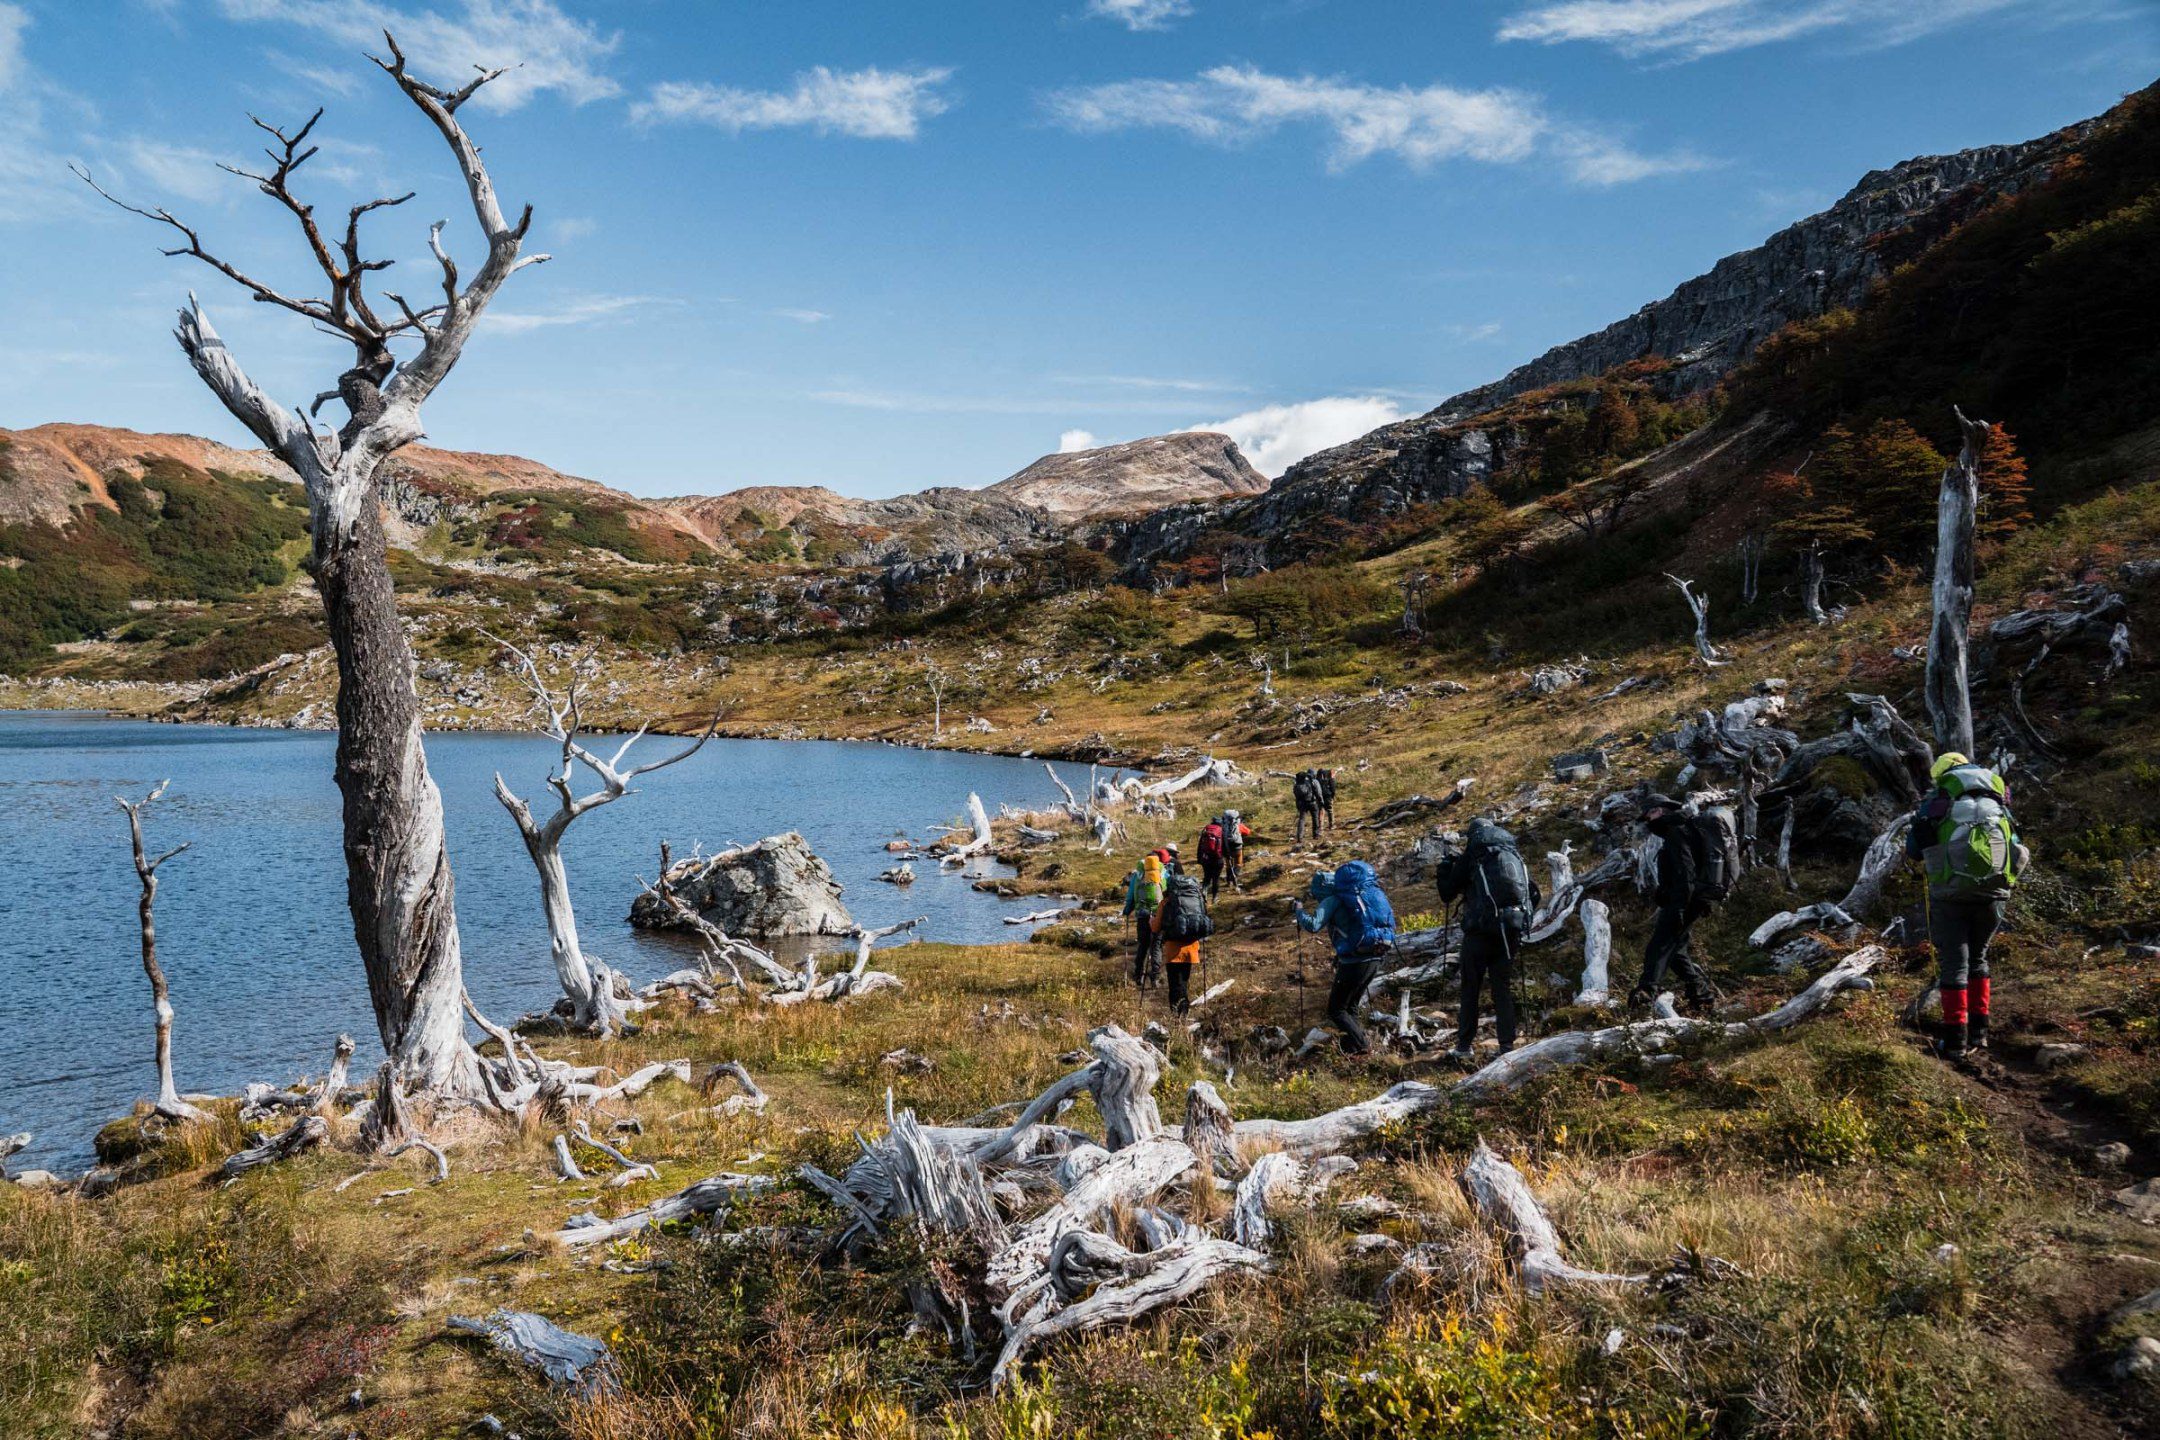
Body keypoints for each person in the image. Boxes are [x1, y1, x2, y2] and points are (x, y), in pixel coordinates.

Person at [1905, 751, 2028, 1061]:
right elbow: (2016, 845)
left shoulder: (1938, 800)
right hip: (1994, 894)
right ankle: (1979, 1033)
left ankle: (1955, 1040)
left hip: (1950, 895)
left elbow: (1914, 851)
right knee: (1979, 958)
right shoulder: (1998, 800)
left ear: (1944, 774)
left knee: (1954, 964)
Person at [1434, 818, 1538, 1063]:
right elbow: (1534, 893)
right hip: (1510, 930)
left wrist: (1444, 870)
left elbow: (1447, 893)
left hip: (1480, 932)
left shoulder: (1473, 854)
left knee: (1471, 987)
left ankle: (1464, 1046)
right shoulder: (1511, 853)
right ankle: (1506, 1045)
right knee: (1502, 987)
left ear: (1473, 836)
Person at [1293, 860, 1396, 1055]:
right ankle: (1353, 1049)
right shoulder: (1356, 896)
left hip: (1354, 962)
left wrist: (1299, 911)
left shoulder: (1332, 900)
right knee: (1351, 1006)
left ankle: (1364, 1046)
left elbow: (1313, 925)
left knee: (1336, 1009)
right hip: (1374, 956)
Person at [1628, 794, 1720, 1013]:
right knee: (1677, 951)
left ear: (1661, 810)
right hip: (1690, 899)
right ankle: (1704, 1000)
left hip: (1684, 902)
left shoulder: (1677, 832)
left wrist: (1678, 907)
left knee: (1658, 948)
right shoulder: (1682, 829)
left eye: (1650, 813)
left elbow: (1685, 872)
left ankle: (1644, 997)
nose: (1649, 820)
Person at [1157, 865, 1215, 1015]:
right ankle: (1183, 1013)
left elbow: (1156, 927)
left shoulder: (1166, 902)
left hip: (1173, 950)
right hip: (1191, 949)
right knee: (1183, 982)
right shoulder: (1196, 897)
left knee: (1175, 984)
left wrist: (1152, 921)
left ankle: (1179, 1016)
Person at [1121, 852, 1166, 987]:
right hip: (1158, 914)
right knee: (1156, 946)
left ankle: (1138, 976)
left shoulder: (1138, 875)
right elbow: (1167, 892)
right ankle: (1155, 978)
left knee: (1143, 945)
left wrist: (1127, 910)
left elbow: (1131, 896)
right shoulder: (1163, 873)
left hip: (1142, 914)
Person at [1218, 809, 1254, 889]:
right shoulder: (1238, 825)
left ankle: (1229, 882)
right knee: (1238, 863)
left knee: (1228, 865)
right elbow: (1248, 832)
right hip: (1237, 846)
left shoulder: (1221, 825)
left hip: (1225, 847)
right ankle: (1234, 878)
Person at [1196, 820, 1228, 898]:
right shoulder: (1221, 831)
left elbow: (1200, 845)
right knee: (1216, 878)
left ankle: (1204, 891)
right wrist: (1227, 856)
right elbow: (1225, 846)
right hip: (1217, 859)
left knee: (1207, 876)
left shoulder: (1206, 830)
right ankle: (1215, 897)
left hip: (1206, 858)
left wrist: (1199, 858)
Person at [1293, 770, 1324, 845]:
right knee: (1315, 818)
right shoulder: (1312, 781)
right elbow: (1318, 792)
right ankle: (1316, 835)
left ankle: (1300, 838)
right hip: (1312, 802)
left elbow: (1296, 795)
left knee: (1302, 820)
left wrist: (1298, 805)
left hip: (1302, 804)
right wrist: (1321, 801)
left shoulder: (1297, 784)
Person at [1316, 768, 1337, 833]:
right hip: (1328, 796)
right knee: (1330, 810)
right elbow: (1333, 789)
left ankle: (1320, 827)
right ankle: (1331, 825)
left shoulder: (1317, 780)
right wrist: (1332, 796)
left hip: (1320, 797)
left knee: (1321, 811)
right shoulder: (1330, 779)